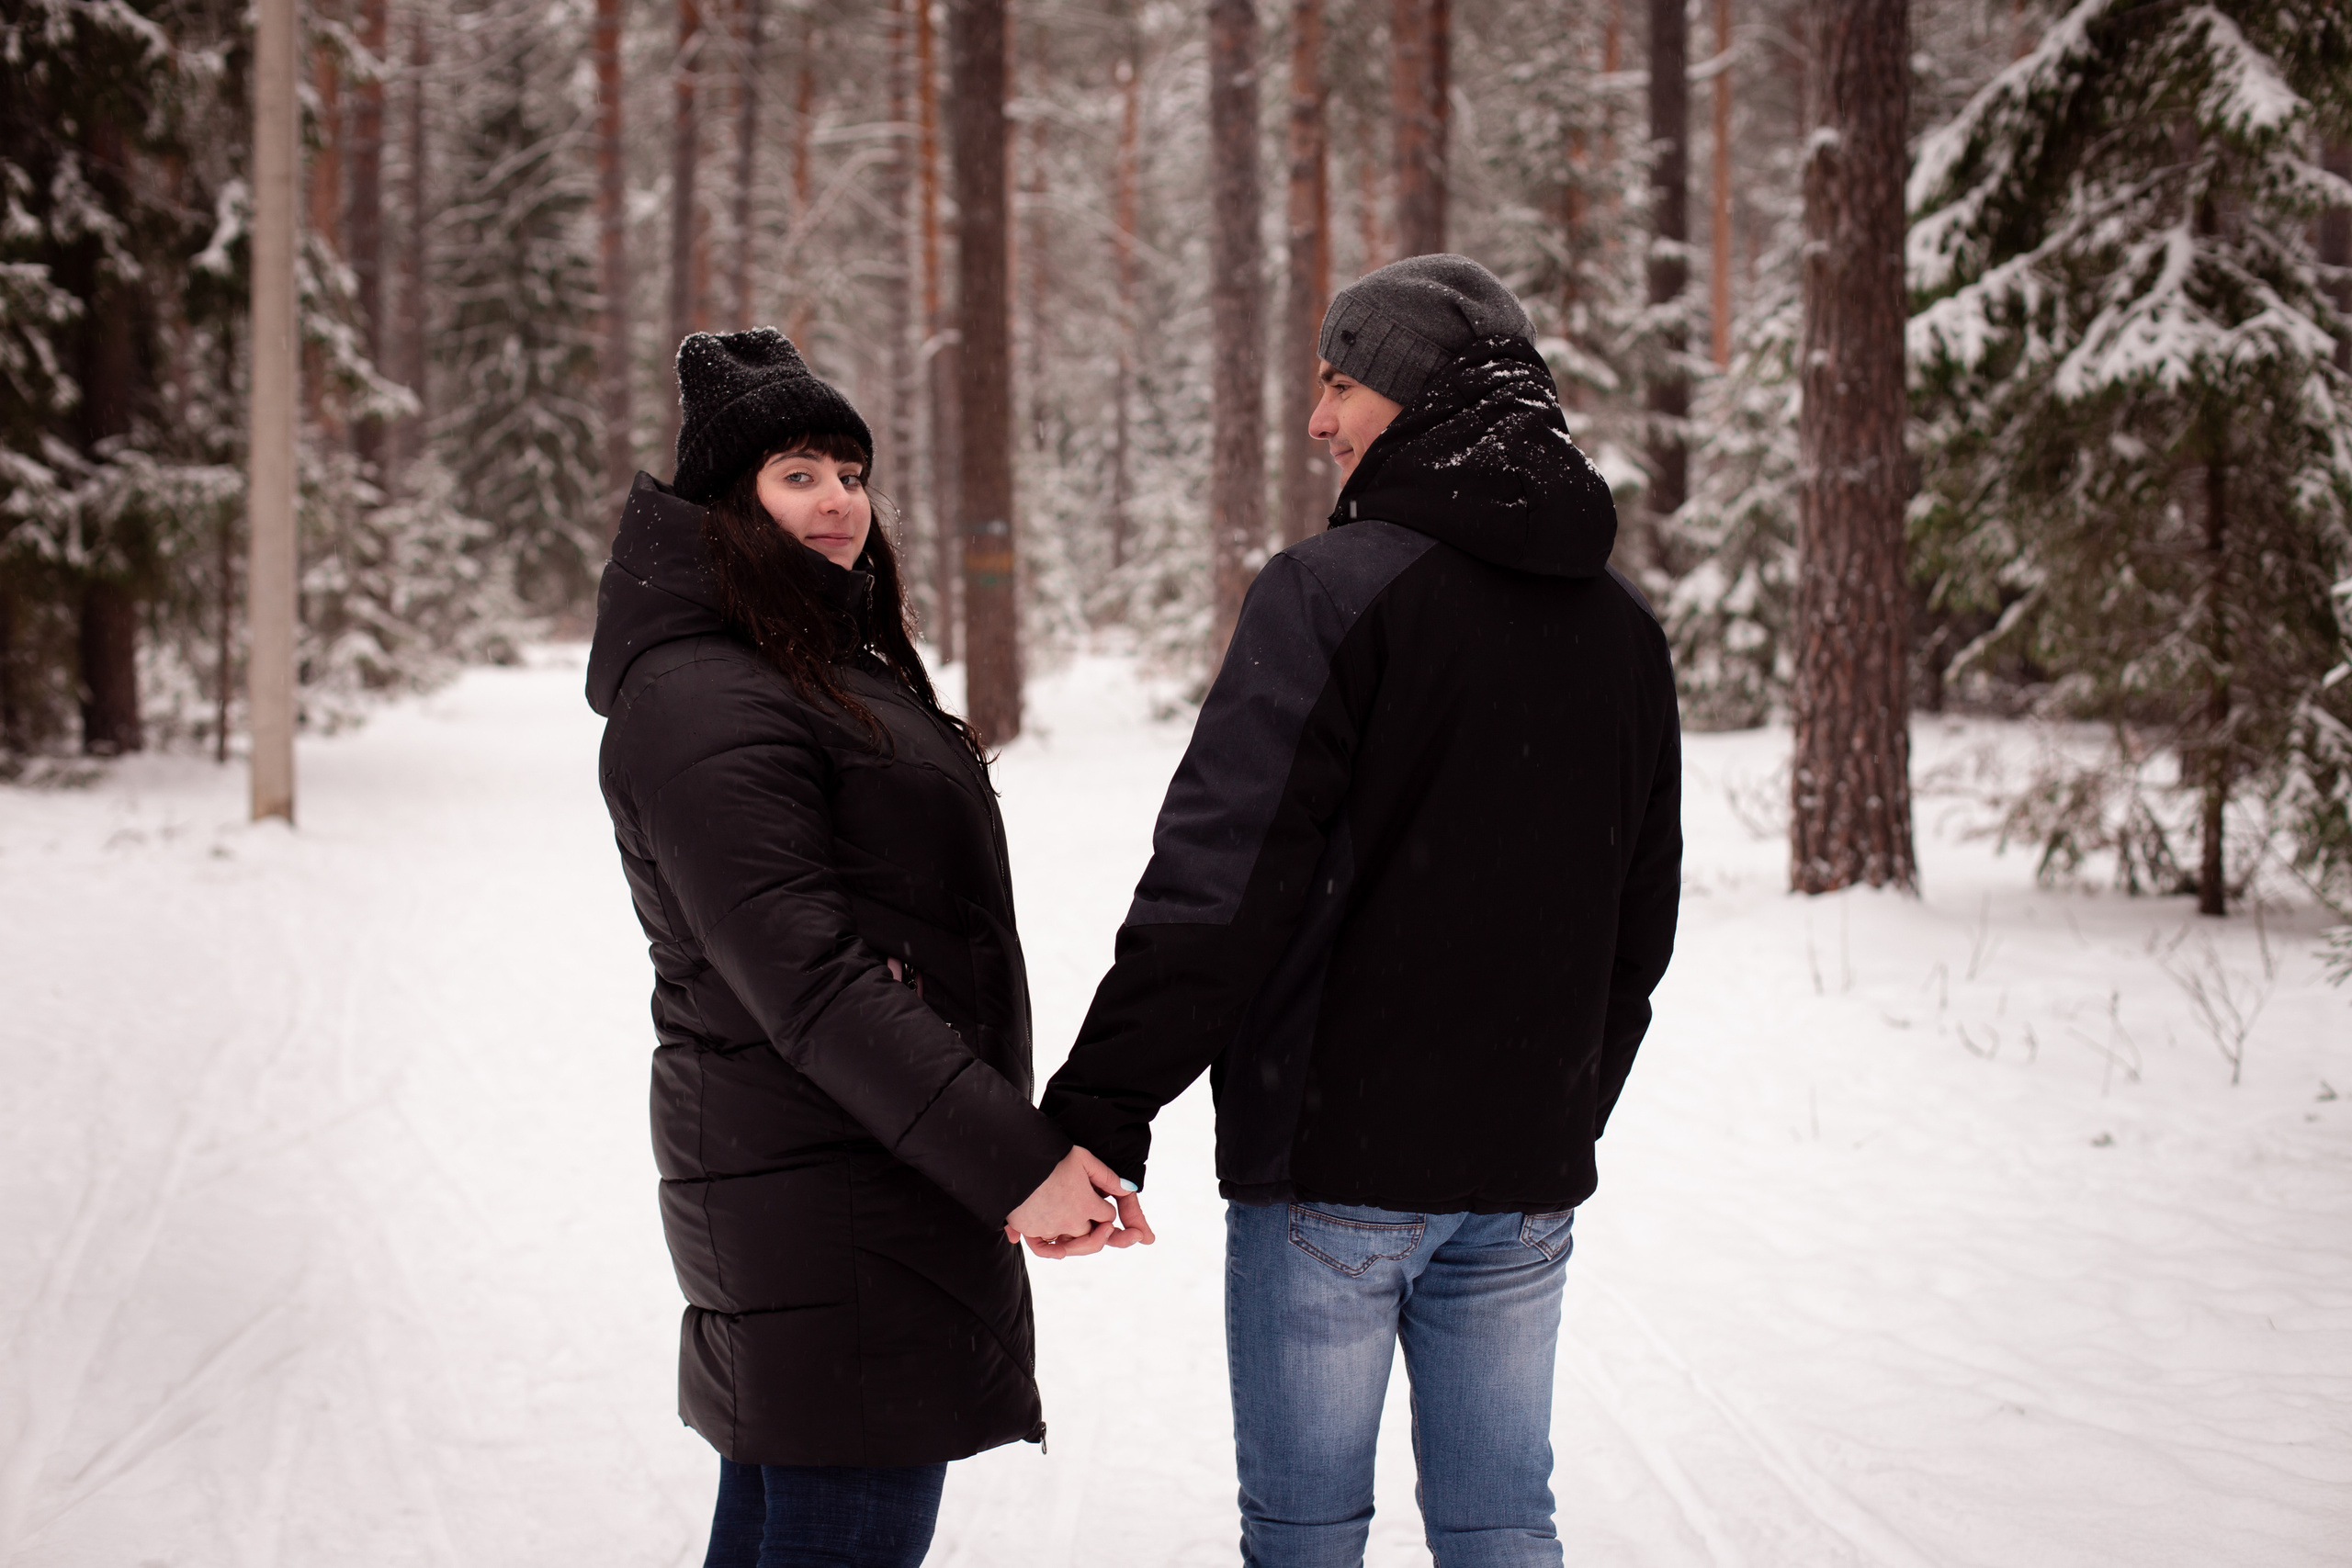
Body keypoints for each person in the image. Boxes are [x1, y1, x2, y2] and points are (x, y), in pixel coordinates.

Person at [1038, 254, 1682, 1566]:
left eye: (1343, 383)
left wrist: (1102, 1107)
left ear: (1422, 396)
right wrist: (1554, 1109)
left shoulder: (1332, 593)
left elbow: (1219, 882)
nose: (1320, 420)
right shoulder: (1622, 624)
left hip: (1333, 1174)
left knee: (1308, 1536)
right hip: (1520, 1181)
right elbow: (1639, 925)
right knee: (1506, 1525)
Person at [585, 328, 1148, 1568]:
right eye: (797, 472)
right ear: (728, 504)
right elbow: (814, 983)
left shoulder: (811, 665)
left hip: (865, 1173)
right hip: (828, 1192)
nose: (838, 497)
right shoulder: (706, 697)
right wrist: (1016, 1164)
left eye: (850, 468)